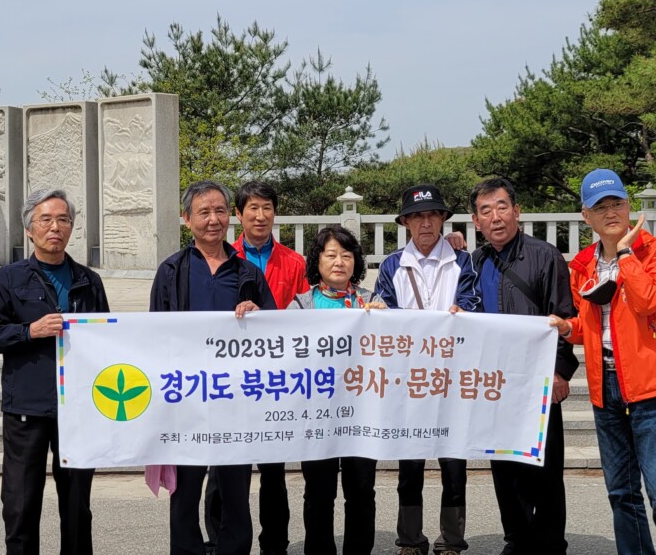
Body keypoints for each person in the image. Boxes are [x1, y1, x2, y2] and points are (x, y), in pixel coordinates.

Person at [549, 169, 656, 555]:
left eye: (617, 203)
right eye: (600, 207)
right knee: (621, 492)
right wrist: (565, 327)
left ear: (628, 206)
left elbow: (648, 302)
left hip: (652, 384)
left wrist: (626, 254)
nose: (610, 212)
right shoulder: (581, 265)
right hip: (605, 385)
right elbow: (586, 327)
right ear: (586, 216)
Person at [0, 189, 111, 555]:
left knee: (77, 505)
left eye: (63, 220)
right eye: (46, 220)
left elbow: (108, 340)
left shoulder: (88, 280)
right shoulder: (10, 277)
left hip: (79, 409)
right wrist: (28, 331)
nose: (56, 227)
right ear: (30, 230)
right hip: (27, 408)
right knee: (20, 504)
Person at [150, 180, 277, 555]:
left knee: (235, 491)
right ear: (187, 219)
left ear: (230, 217)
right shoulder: (171, 271)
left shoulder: (248, 273)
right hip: (186, 401)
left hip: (235, 401)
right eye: (203, 212)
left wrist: (259, 316)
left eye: (220, 211)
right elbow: (154, 334)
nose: (213, 220)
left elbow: (275, 332)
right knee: (185, 493)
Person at [468, 178, 578, 555]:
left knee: (545, 470)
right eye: (486, 211)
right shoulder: (476, 260)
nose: (495, 217)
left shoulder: (545, 255)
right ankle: (516, 539)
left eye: (502, 207)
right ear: (475, 220)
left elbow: (565, 314)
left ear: (517, 210)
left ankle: (549, 544)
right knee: (504, 469)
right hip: (495, 382)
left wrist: (561, 370)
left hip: (538, 379)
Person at [202, 181, 310, 555]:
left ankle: (274, 544)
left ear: (274, 213)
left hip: (276, 378)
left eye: (267, 208)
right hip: (229, 377)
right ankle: (218, 541)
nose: (260, 216)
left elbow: (306, 315)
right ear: (239, 214)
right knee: (222, 468)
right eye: (252, 209)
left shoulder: (294, 262)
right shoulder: (221, 258)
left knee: (274, 470)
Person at [373, 184, 480, 555]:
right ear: (405, 222)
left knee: (454, 463)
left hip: (452, 376)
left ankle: (452, 539)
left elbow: (472, 305)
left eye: (432, 214)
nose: (425, 222)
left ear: (443, 219)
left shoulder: (465, 261)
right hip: (409, 378)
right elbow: (381, 313)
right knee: (410, 464)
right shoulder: (391, 265)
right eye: (417, 216)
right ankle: (409, 538)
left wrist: (459, 315)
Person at [288, 226, 385, 555]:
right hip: (316, 414)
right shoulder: (301, 305)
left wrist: (386, 321)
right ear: (317, 261)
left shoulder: (372, 301)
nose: (339, 262)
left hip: (362, 412)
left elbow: (391, 351)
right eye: (331, 255)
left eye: (346, 255)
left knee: (361, 489)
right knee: (318, 491)